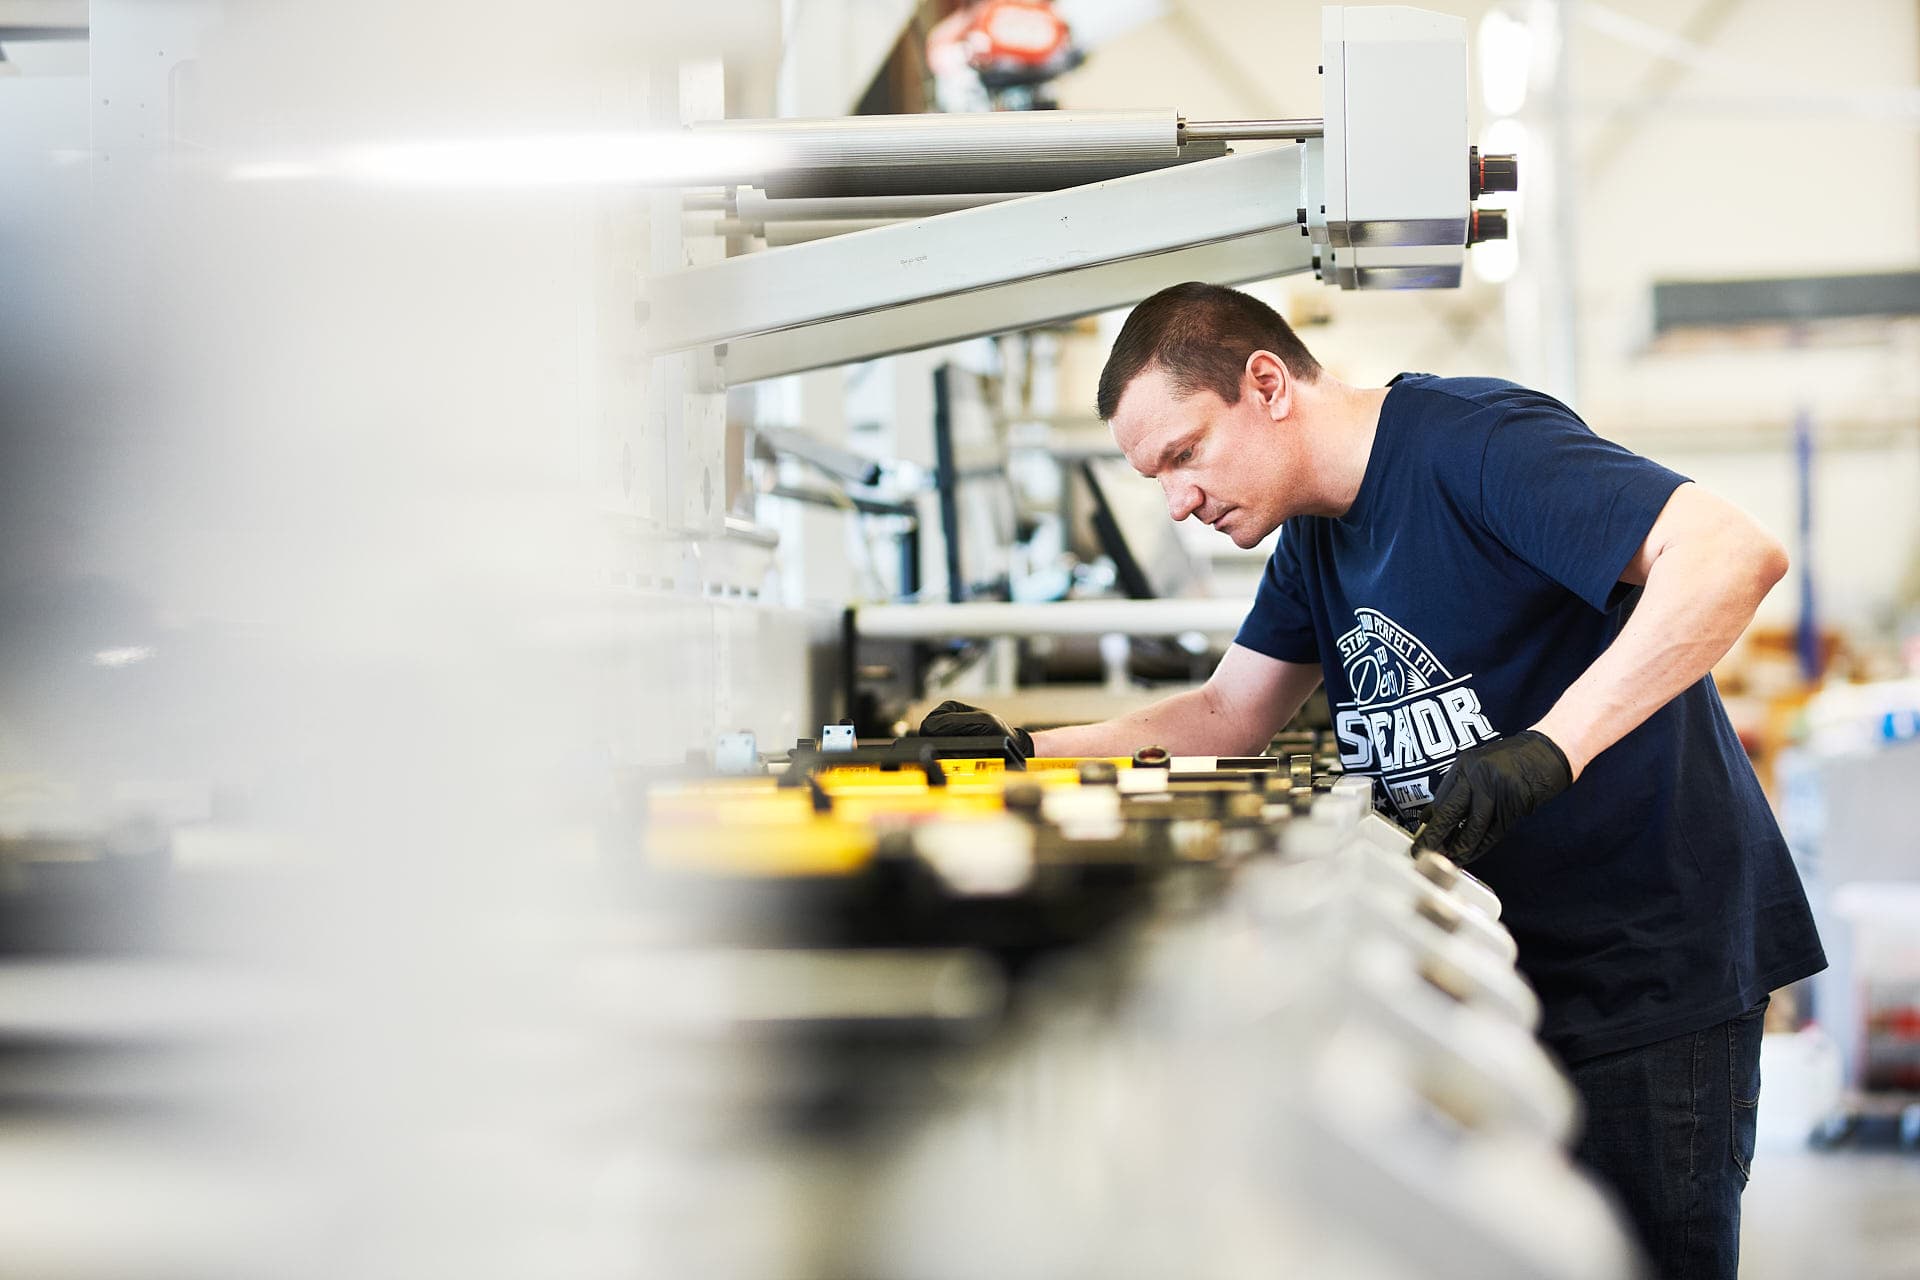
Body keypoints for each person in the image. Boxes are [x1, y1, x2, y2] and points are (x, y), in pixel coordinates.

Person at [920, 281, 1825, 1279]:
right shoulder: (1316, 532)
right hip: (1504, 973)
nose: (1176, 499)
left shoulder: (1474, 442)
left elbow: (1733, 553)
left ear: (1265, 382)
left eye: (1183, 453)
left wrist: (1549, 748)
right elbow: (1227, 715)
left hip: (1644, 971)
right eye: (1155, 476)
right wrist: (1019, 752)